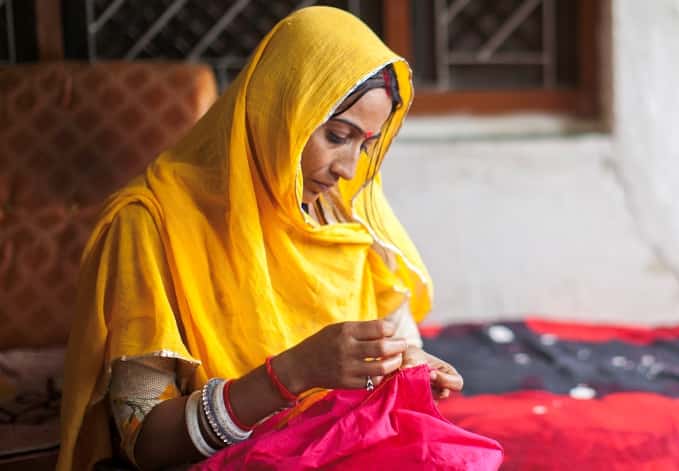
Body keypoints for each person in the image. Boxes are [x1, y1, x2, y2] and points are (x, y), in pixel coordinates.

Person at [56, 7, 464, 470]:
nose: (349, 169)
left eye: (366, 145)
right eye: (335, 136)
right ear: (280, 111)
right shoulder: (151, 224)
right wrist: (290, 374)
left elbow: (390, 342)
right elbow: (146, 442)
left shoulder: (344, 213)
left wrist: (405, 364)